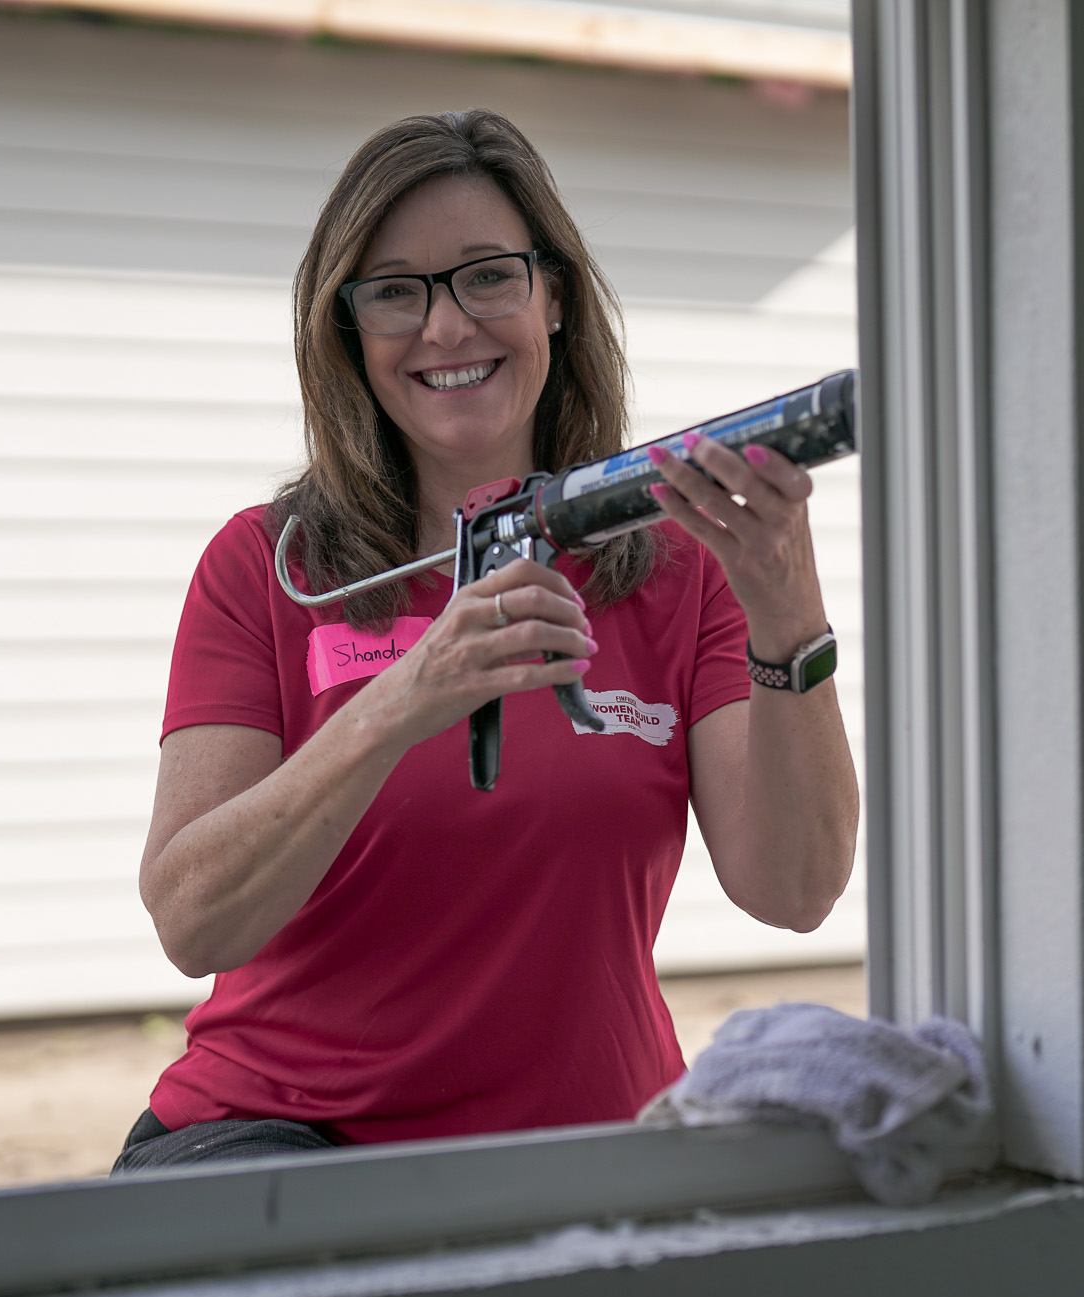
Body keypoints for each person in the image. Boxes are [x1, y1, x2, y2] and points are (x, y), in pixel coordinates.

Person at [113, 110, 857, 1172]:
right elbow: (194, 921)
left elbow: (793, 888)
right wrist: (406, 695)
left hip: (584, 1147)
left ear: (552, 297)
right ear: (347, 334)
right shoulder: (266, 566)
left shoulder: (678, 564)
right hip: (280, 1144)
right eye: (394, 291)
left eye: (486, 277)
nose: (446, 328)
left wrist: (788, 618)